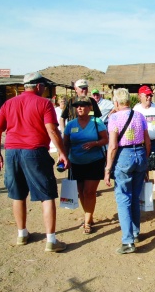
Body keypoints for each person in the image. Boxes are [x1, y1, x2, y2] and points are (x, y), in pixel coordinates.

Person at [0, 72, 69, 252]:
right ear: (39, 86)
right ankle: (51, 240)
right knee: (47, 194)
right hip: (34, 151)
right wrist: (62, 153)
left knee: (17, 193)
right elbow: (52, 130)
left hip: (11, 152)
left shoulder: (9, 103)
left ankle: (22, 234)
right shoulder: (44, 103)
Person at [104, 88, 151, 254]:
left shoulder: (114, 118)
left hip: (124, 156)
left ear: (116, 103)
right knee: (135, 196)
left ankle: (128, 241)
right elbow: (147, 142)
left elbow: (112, 146)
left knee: (123, 198)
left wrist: (108, 168)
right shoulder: (139, 116)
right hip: (139, 155)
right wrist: (145, 162)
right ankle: (135, 232)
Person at [63, 96, 108, 234]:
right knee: (81, 192)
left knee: (89, 191)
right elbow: (65, 143)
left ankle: (87, 221)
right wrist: (65, 158)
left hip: (94, 162)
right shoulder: (70, 124)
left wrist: (94, 143)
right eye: (77, 106)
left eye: (83, 105)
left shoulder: (97, 122)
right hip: (76, 162)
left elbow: (106, 139)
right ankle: (89, 214)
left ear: (90, 108)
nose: (80, 108)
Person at [133, 85, 155, 192]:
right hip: (141, 143)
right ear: (140, 96)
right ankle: (146, 183)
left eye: (150, 95)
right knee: (144, 164)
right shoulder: (136, 110)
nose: (149, 98)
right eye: (146, 96)